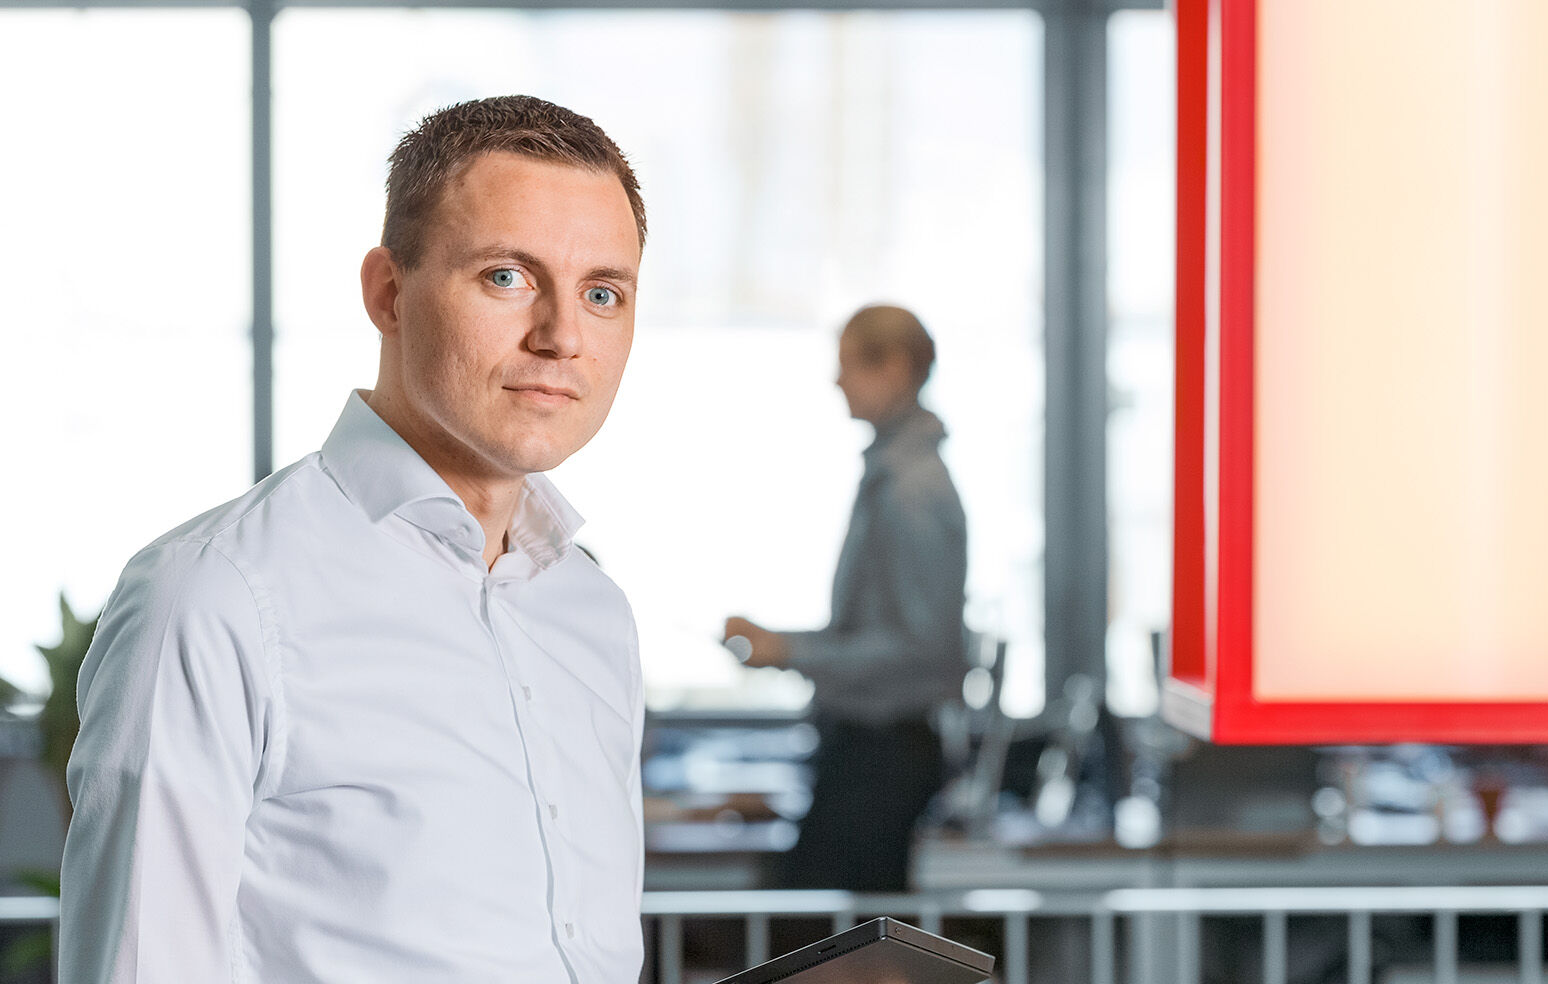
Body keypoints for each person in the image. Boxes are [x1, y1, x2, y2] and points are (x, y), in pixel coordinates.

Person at [59, 95, 649, 982]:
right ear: (388, 293)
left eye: (602, 293)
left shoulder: (593, 613)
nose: (562, 336)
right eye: (507, 277)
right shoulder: (215, 597)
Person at [724, 304, 968, 893]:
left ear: (896, 369)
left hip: (882, 756)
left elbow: (921, 649)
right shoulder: (892, 474)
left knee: (833, 949)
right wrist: (786, 645)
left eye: (849, 366)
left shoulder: (911, 489)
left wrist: (789, 651)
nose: (837, 382)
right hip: (867, 750)